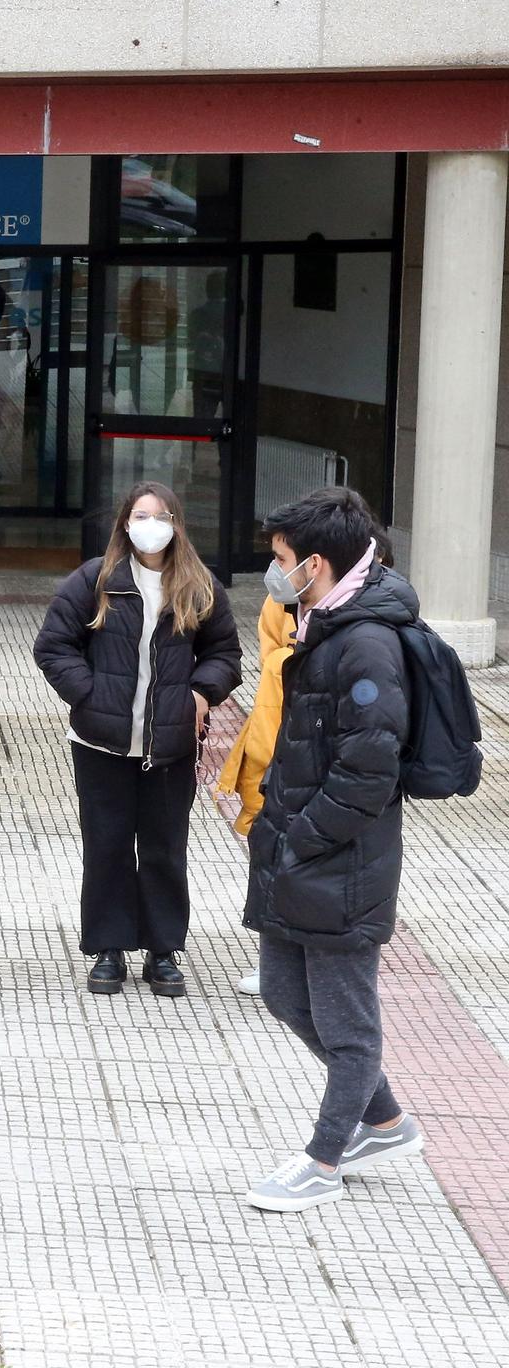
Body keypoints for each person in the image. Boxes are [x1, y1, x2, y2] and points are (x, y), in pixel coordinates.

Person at [243, 489, 423, 1213]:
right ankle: (383, 1120)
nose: (274, 571)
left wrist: (300, 838)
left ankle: (322, 1158)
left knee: (350, 1026)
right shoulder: (325, 619)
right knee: (284, 992)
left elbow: (369, 772)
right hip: (299, 851)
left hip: (339, 862)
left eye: (282, 559)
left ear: (315, 563)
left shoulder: (366, 642)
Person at [33, 482, 240, 998]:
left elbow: (226, 654)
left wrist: (200, 694)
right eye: (141, 515)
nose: (151, 524)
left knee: (165, 847)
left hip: (170, 744)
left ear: (176, 524)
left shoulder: (199, 586)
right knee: (106, 844)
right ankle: (108, 947)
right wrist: (90, 695)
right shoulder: (96, 580)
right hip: (102, 744)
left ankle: (163, 949)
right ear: (125, 522)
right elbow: (53, 646)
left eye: (161, 515)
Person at [217, 592, 299, 996]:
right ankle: (277, 964)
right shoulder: (279, 602)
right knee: (271, 863)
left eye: (285, 557)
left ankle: (298, 966)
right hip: (273, 755)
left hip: (305, 760)